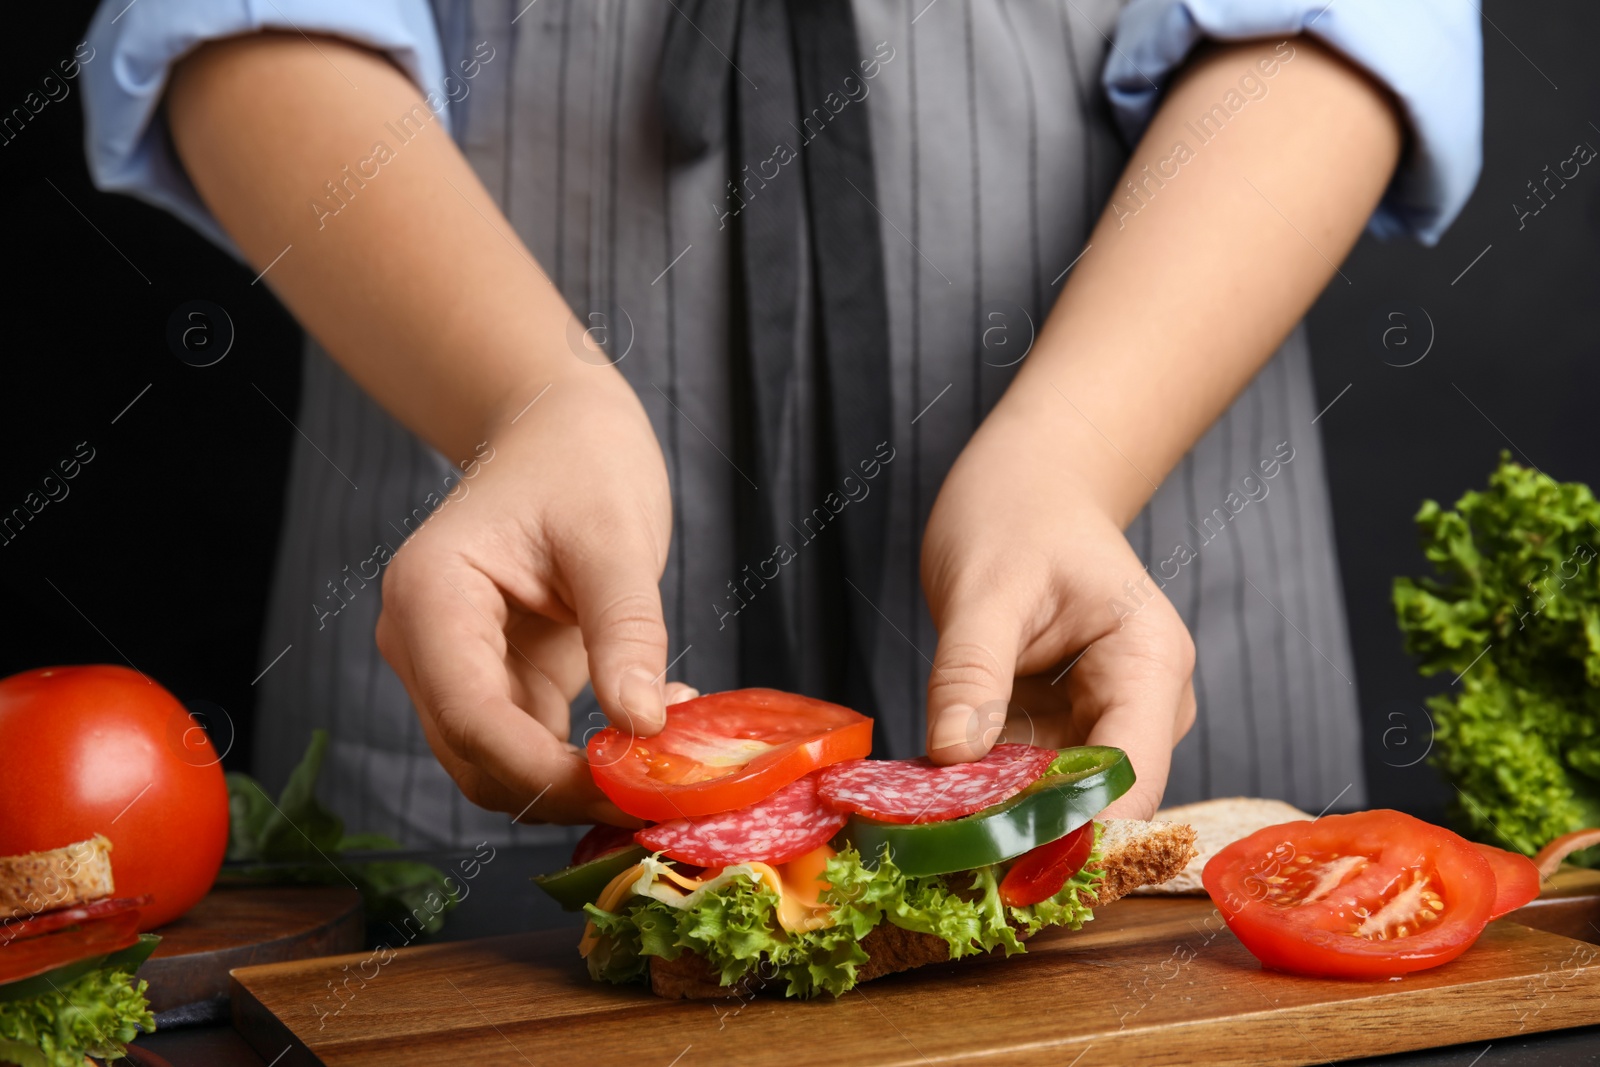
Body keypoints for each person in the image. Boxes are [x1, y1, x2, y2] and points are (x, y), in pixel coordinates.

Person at [83, 0, 1481, 847]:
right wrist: (520, 401)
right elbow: (228, 14)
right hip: (464, 427)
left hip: (1145, 432)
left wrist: (1076, 456)